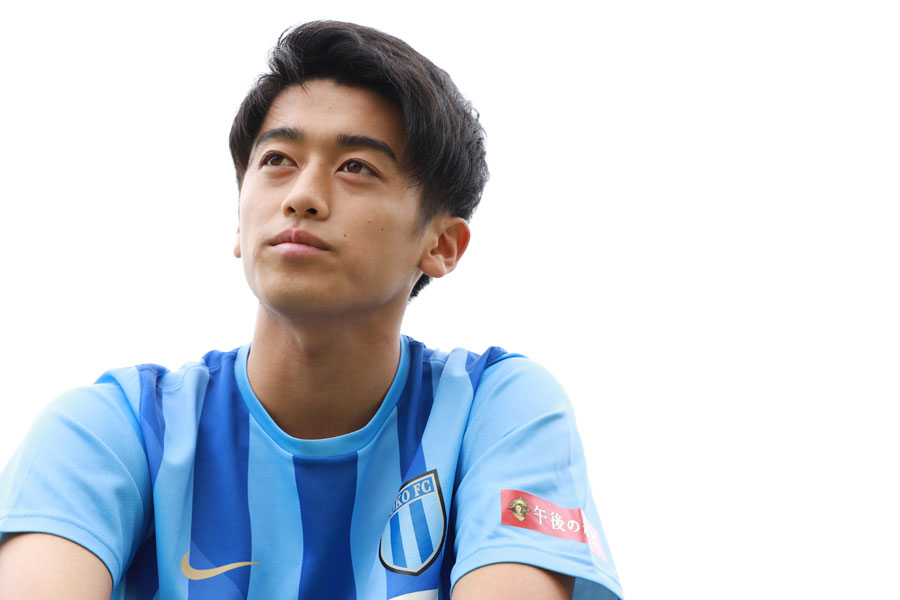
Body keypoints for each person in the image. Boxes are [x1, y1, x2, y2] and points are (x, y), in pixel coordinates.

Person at [0, 20, 623, 600]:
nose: (302, 196)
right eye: (277, 160)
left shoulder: (497, 410)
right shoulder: (113, 430)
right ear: (239, 220)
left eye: (356, 168)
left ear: (441, 245)